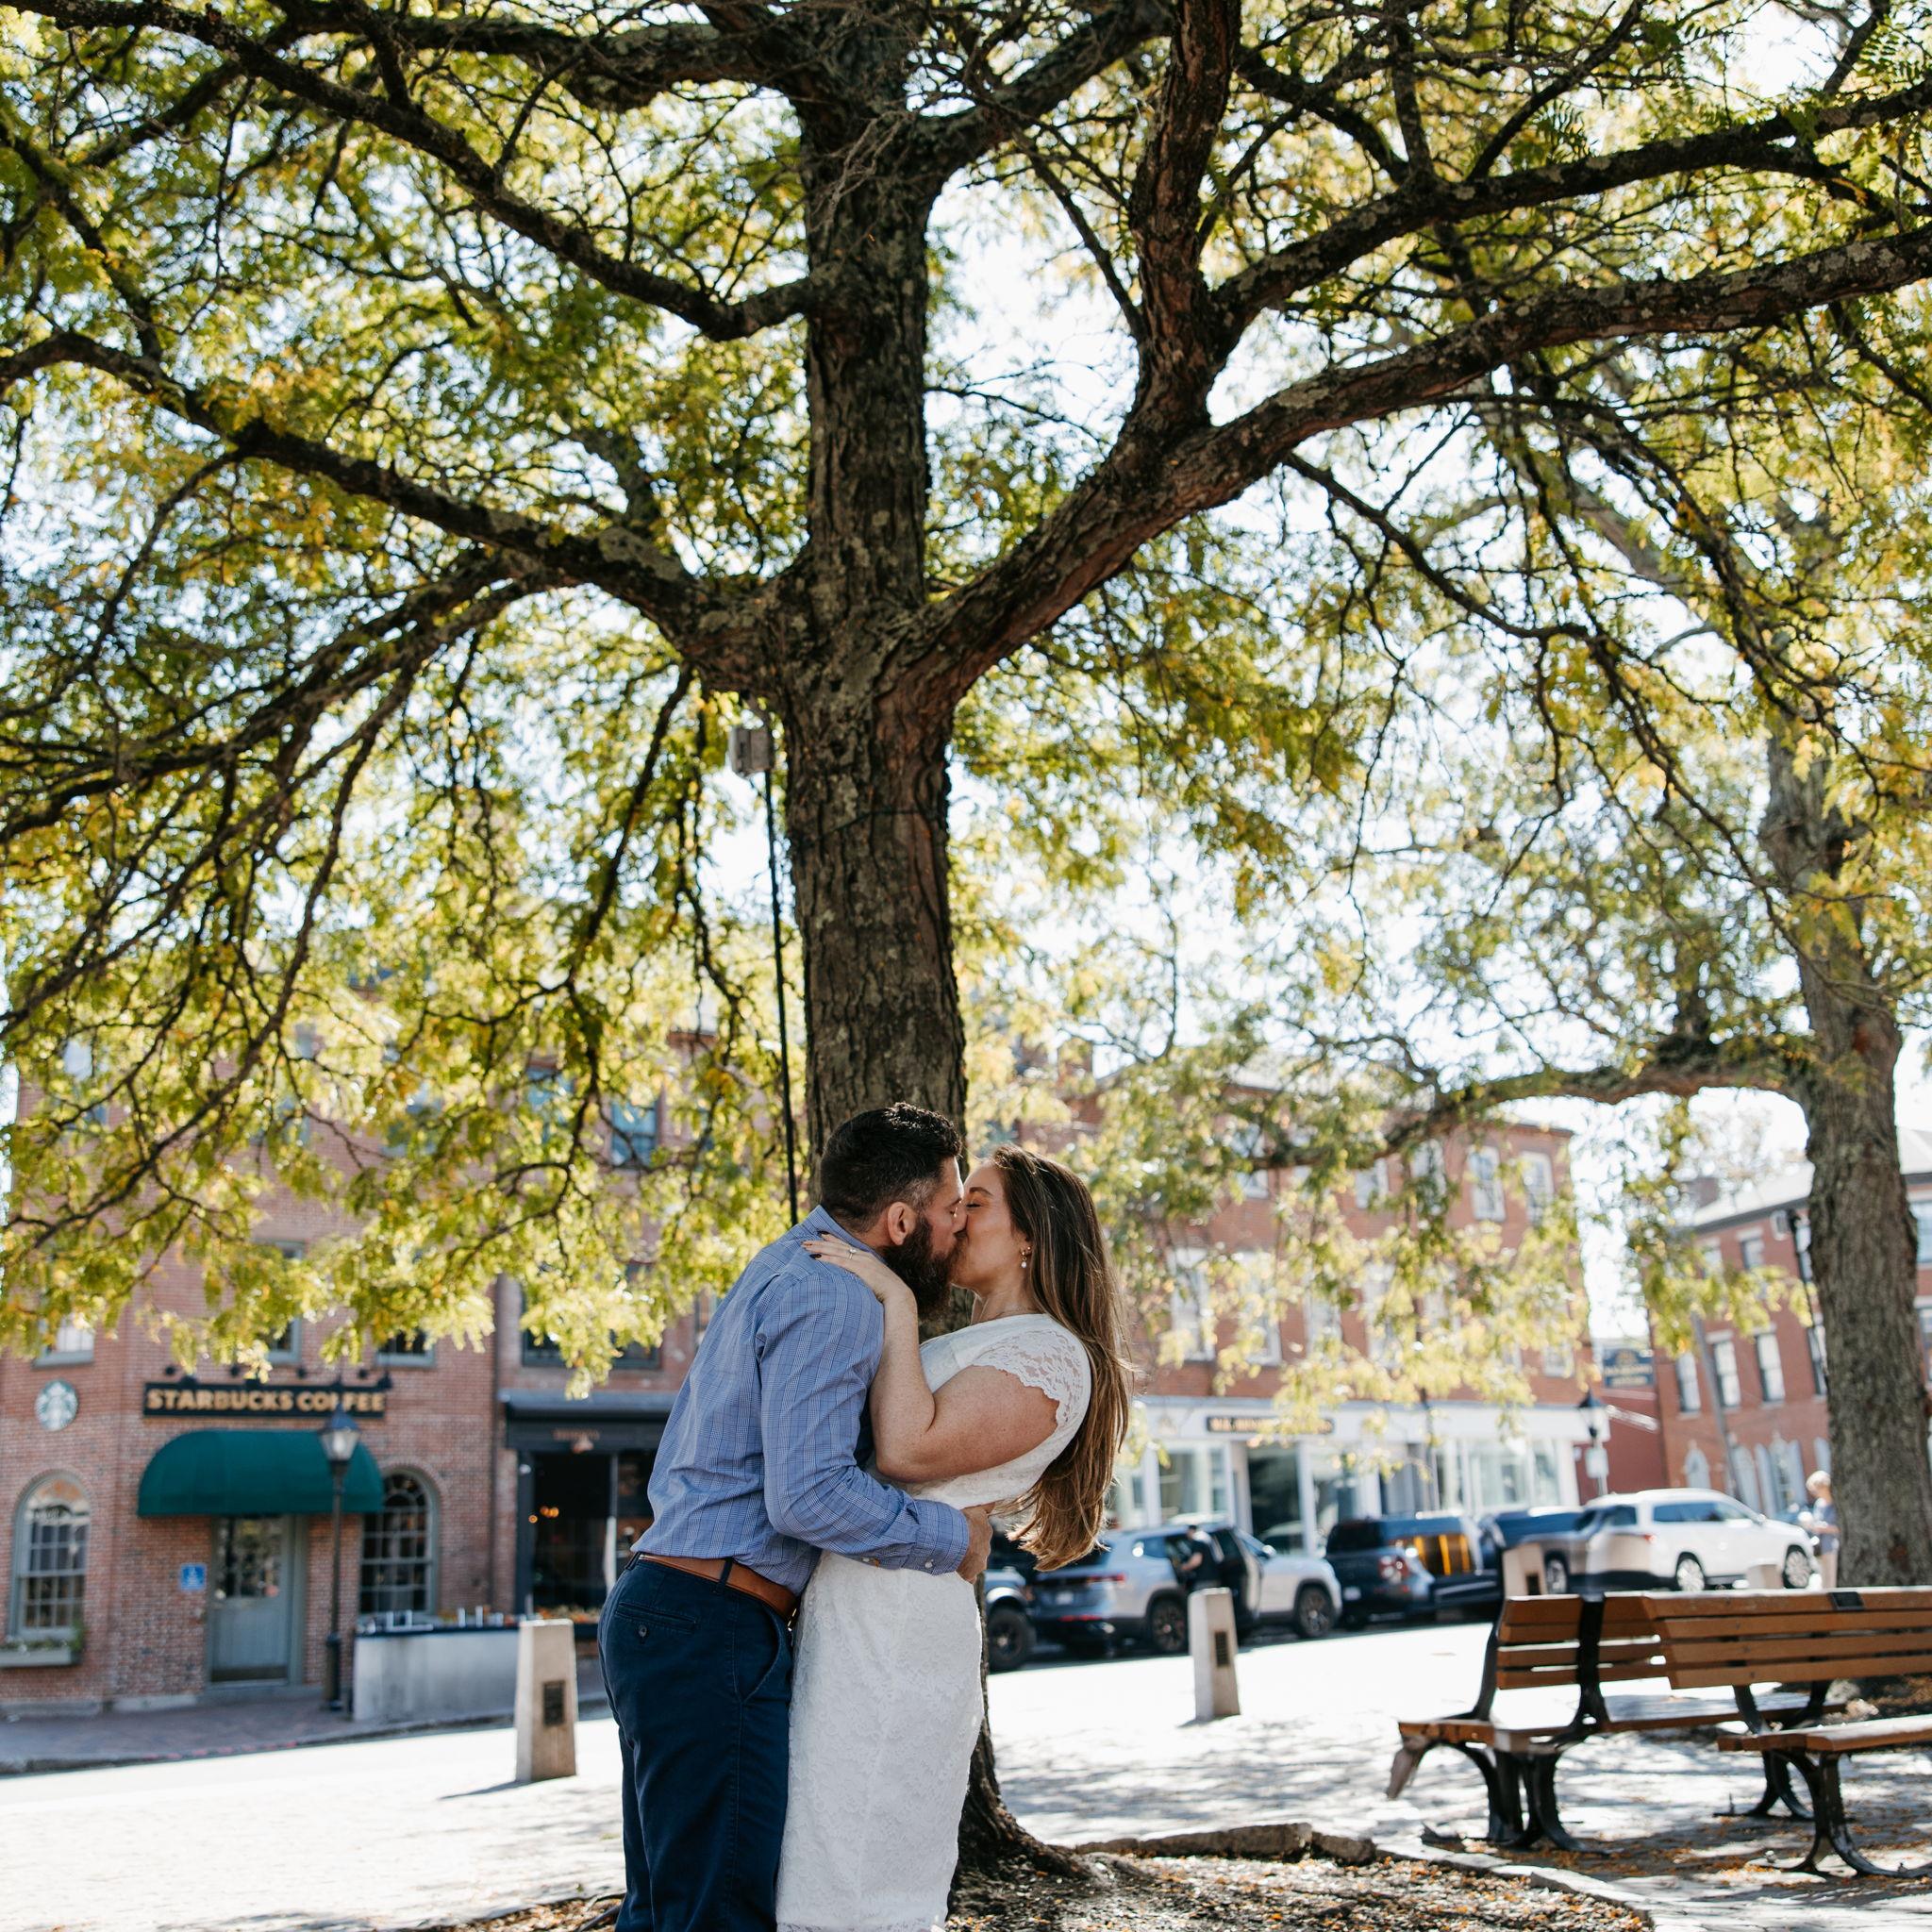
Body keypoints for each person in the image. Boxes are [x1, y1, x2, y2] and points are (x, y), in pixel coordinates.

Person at [597, 1104, 995, 1932]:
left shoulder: (788, 1264)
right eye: (951, 1209)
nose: (957, 1226)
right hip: (711, 1622)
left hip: (674, 1613)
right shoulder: (835, 1296)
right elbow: (808, 1495)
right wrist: (951, 1537)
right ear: (900, 1222)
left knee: (667, 1908)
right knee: (715, 1914)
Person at [779, 1142, 1133, 1932]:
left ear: (1032, 1236)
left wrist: (895, 1302)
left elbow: (907, 1450)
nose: (957, 1217)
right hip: (857, 1605)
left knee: (861, 1862)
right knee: (821, 1844)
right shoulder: (977, 1341)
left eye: (977, 1203)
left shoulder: (1050, 1354)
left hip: (901, 1621)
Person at [1805, 1469, 1840, 1590]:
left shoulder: (1836, 1504)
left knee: (1832, 1580)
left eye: (1817, 1489)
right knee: (1823, 1580)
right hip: (1820, 1548)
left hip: (1833, 1546)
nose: (1815, 1493)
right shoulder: (1819, 1504)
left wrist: (1825, 1528)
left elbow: (1841, 1527)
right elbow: (1815, 1521)